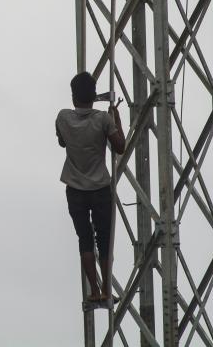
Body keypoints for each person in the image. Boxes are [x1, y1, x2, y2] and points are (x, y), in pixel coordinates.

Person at [56, 72, 126, 303]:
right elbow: (120, 147)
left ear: (73, 96)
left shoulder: (63, 117)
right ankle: (106, 289)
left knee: (84, 239)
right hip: (99, 188)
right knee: (104, 241)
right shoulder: (102, 120)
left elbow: (62, 141)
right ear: (94, 95)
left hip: (75, 188)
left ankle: (93, 292)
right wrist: (115, 118)